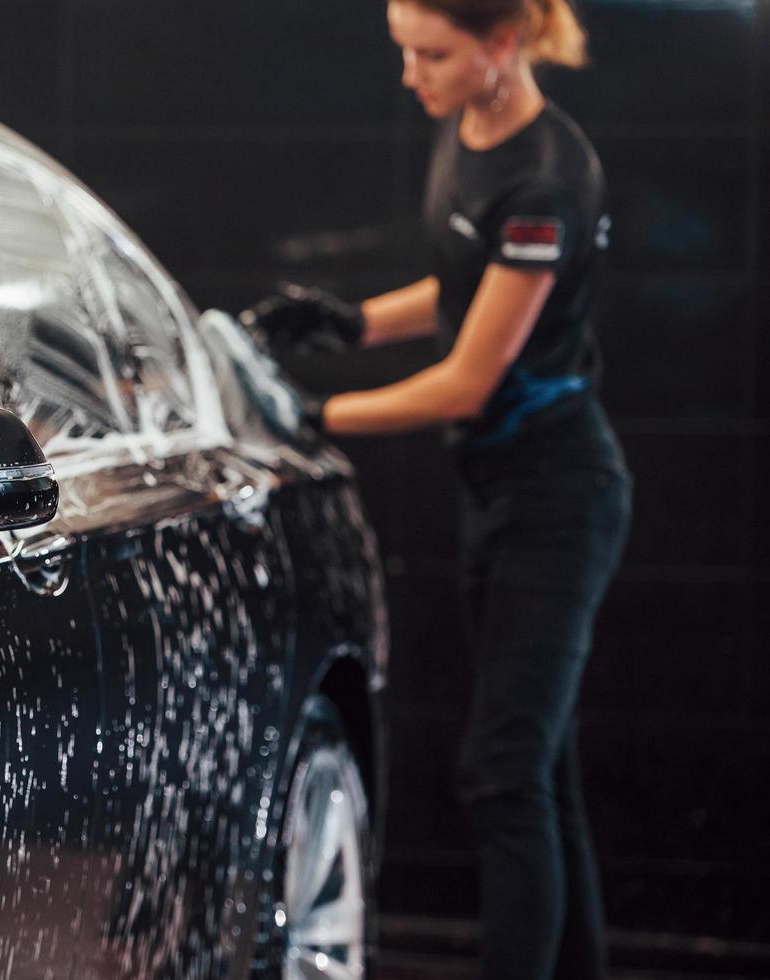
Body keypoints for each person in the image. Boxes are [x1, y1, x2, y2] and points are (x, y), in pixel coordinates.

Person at [239, 1, 631, 977]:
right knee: (544, 774)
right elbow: (465, 279)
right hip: (496, 487)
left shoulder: (547, 180)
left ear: (502, 45)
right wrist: (348, 322)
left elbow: (468, 377)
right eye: (403, 49)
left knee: (502, 776)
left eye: (433, 53)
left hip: (557, 493)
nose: (411, 73)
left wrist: (315, 417)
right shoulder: (468, 128)